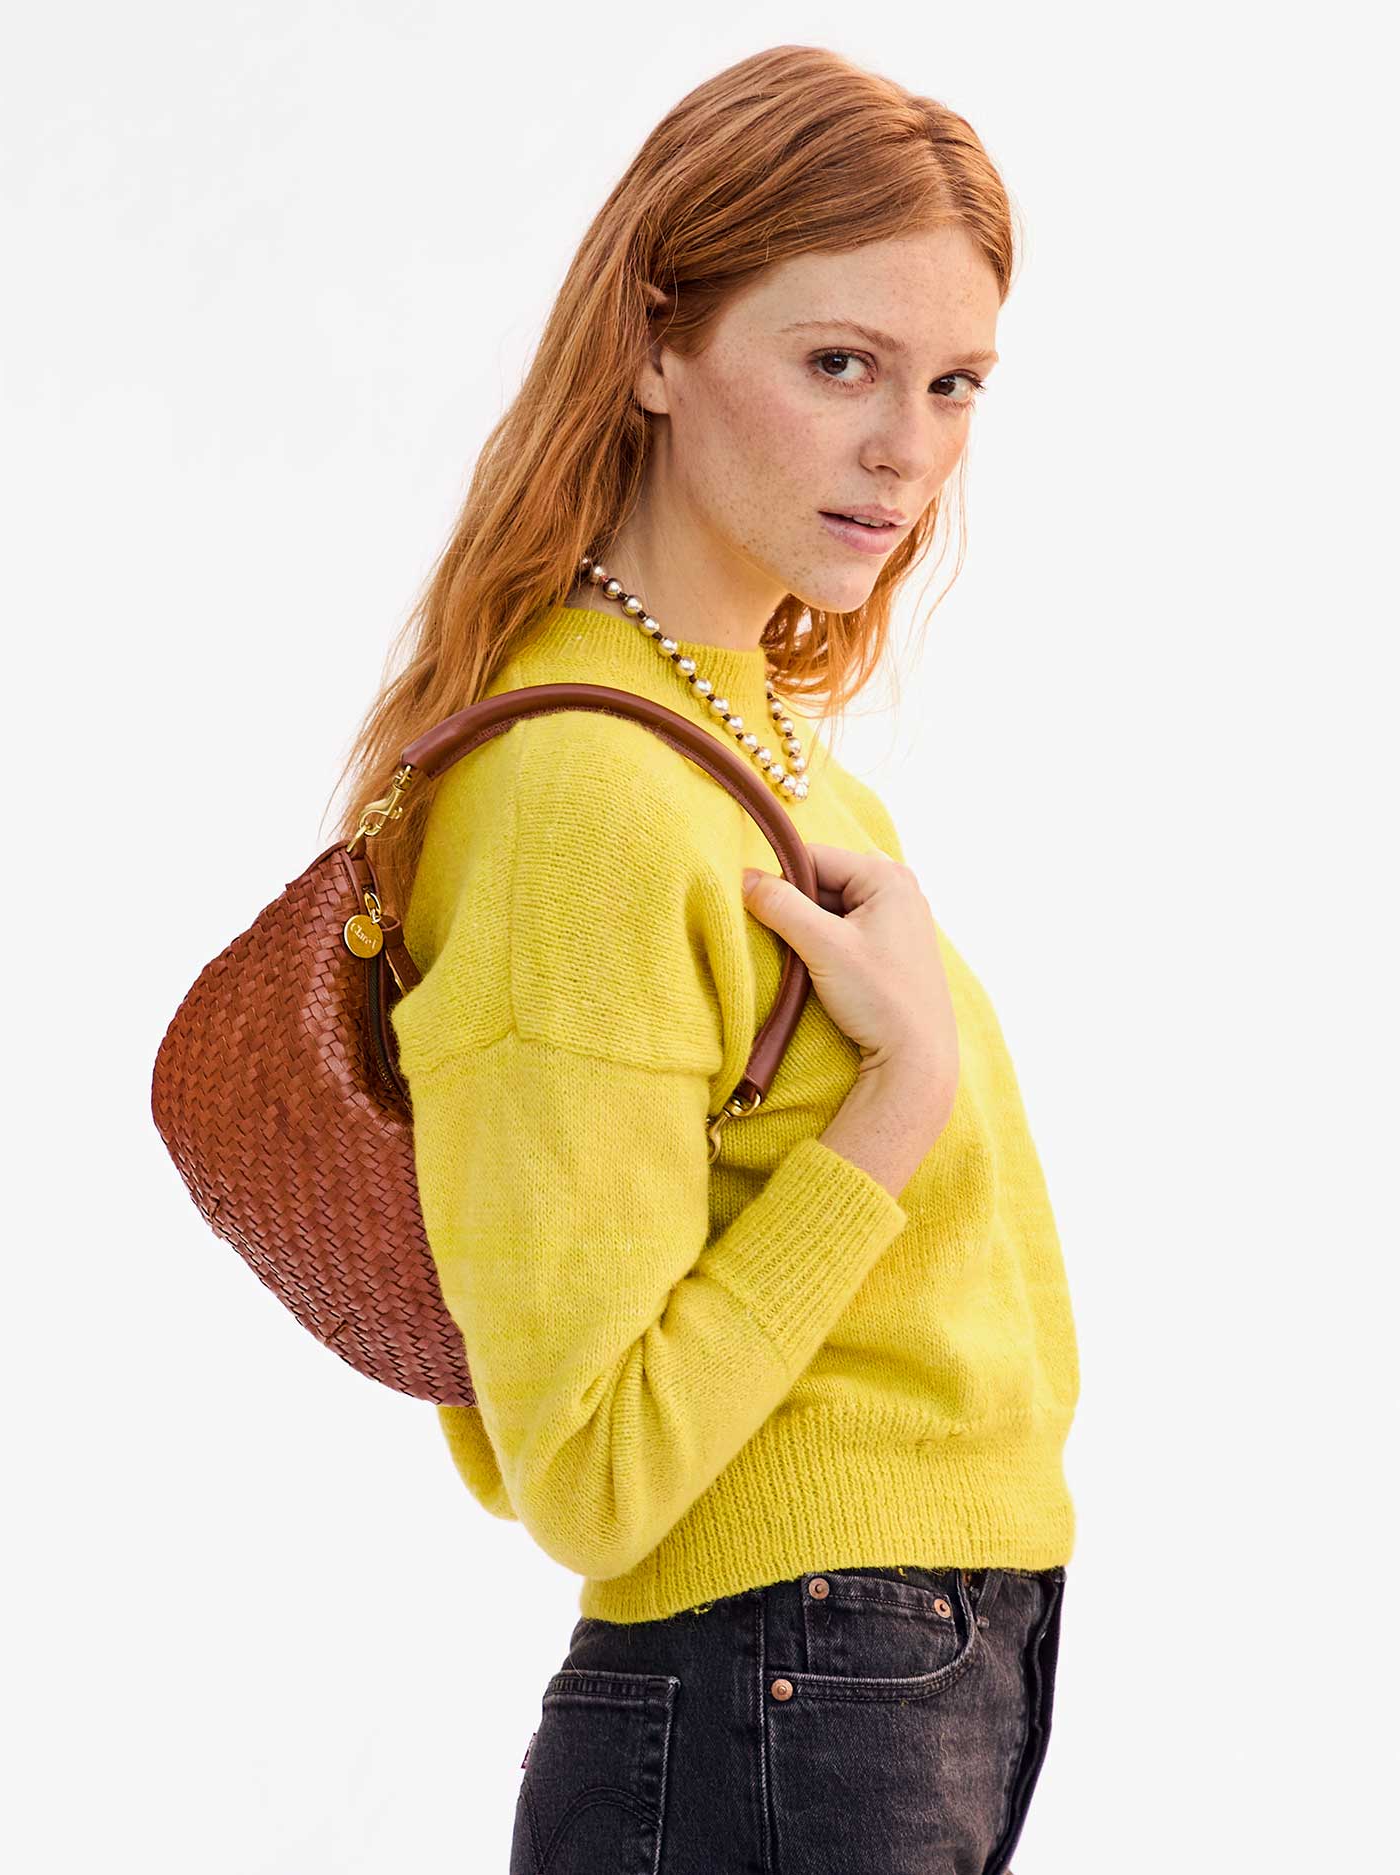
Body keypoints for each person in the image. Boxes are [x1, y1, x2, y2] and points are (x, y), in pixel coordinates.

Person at [335, 42, 1078, 1875]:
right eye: (841, 364)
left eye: (954, 382)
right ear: (657, 345)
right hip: (789, 1679)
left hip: (879, 1672)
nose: (907, 447)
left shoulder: (755, 740)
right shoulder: (585, 788)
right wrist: (896, 1104)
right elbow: (583, 1469)